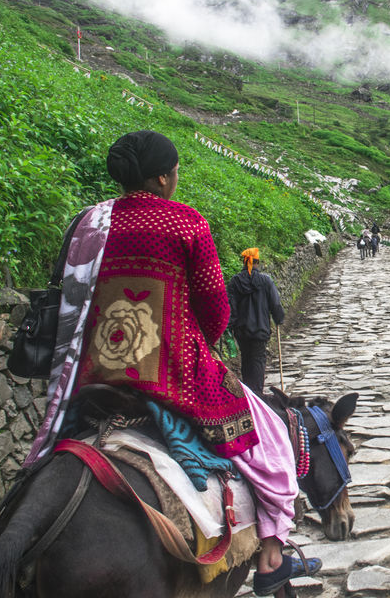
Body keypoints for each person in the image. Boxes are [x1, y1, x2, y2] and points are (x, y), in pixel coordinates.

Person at [23, 130, 316, 596]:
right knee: (270, 439)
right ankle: (273, 554)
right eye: (175, 172)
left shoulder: (88, 222)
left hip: (92, 370)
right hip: (174, 372)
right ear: (161, 178)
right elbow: (215, 311)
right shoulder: (185, 224)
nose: (176, 179)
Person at [227, 248, 285, 394]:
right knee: (258, 361)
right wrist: (278, 318)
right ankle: (257, 394)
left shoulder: (235, 282)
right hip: (260, 330)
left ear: (243, 262)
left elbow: (231, 308)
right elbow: (275, 303)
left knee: (246, 360)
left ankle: (249, 393)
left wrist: (231, 325)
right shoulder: (265, 281)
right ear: (257, 262)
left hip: (242, 331)